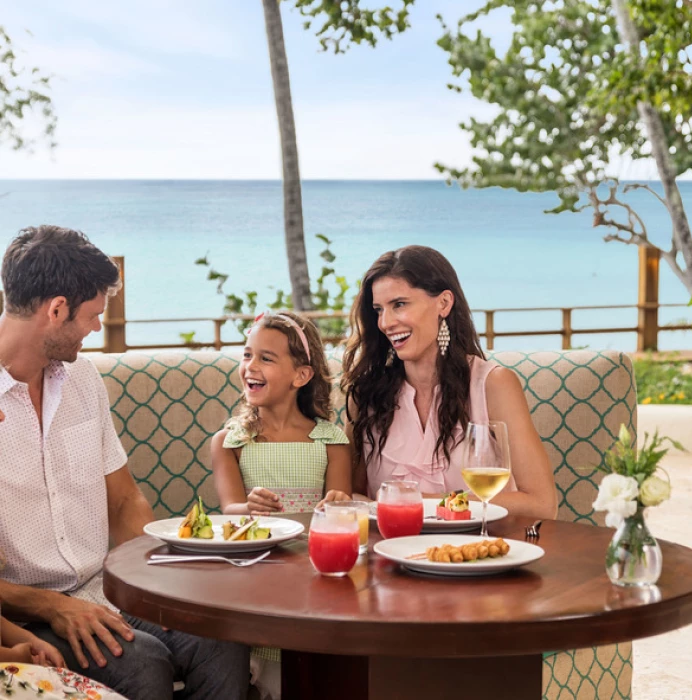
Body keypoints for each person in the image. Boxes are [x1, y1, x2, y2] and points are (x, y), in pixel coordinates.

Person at [0, 226, 250, 700]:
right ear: (56, 310)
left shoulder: (82, 379)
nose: (97, 328)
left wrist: (165, 578)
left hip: (102, 587)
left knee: (221, 636)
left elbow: (123, 498)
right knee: (144, 665)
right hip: (22, 615)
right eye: (93, 315)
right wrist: (50, 606)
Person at [341, 245, 558, 520]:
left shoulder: (493, 385)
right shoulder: (366, 394)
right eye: (378, 310)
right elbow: (348, 495)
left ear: (443, 303)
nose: (385, 322)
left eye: (399, 304)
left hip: (480, 553)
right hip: (390, 552)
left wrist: (421, 502)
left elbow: (541, 504)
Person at [211, 310, 352, 699]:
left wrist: (339, 502)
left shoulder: (331, 440)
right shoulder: (230, 442)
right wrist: (248, 508)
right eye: (246, 355)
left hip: (314, 574)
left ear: (301, 376)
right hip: (257, 572)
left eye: (266, 358)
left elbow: (339, 514)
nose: (249, 367)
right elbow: (229, 510)